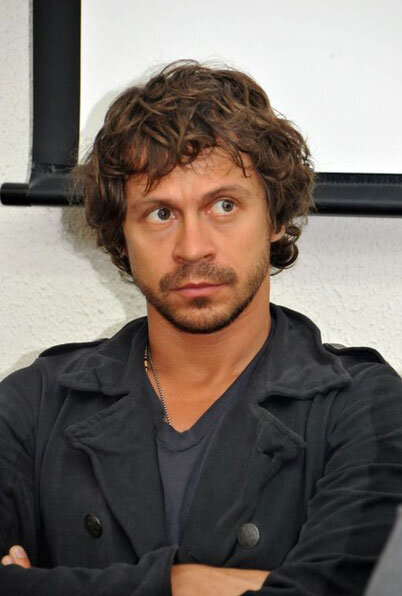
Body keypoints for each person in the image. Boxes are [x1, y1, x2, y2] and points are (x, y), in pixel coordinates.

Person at [1, 60, 401, 596]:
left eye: (224, 205)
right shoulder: (38, 402)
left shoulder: (365, 407)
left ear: (275, 217)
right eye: (160, 214)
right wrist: (185, 583)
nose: (192, 248)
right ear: (122, 234)